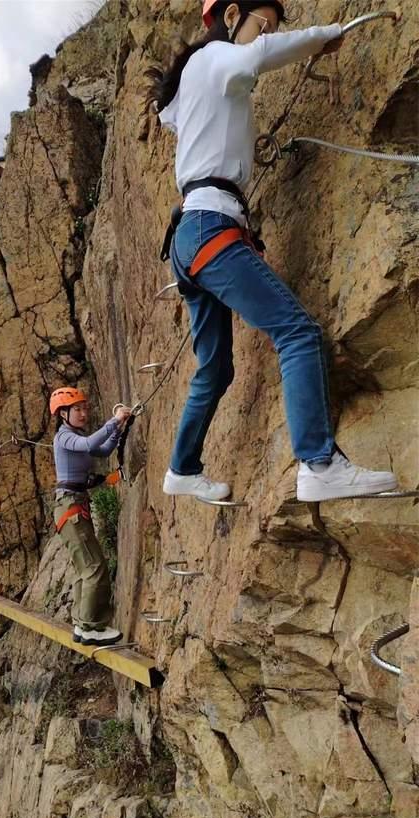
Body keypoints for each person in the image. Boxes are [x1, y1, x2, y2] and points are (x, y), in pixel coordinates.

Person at [146, 0, 398, 503]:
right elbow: (254, 57)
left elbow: (180, 112)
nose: (267, 34)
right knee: (297, 332)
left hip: (191, 235)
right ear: (234, 13)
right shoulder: (215, 57)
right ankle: (319, 463)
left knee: (216, 369)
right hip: (211, 225)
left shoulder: (198, 78)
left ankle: (182, 468)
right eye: (265, 24)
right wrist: (329, 33)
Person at [50, 387, 131, 646]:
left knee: (84, 569)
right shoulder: (64, 437)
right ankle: (90, 627)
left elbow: (103, 450)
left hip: (73, 506)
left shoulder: (74, 437)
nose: (84, 413)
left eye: (85, 408)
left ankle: (81, 624)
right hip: (70, 507)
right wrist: (114, 420)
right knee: (94, 567)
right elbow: (88, 444)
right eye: (77, 409)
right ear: (63, 414)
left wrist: (119, 428)